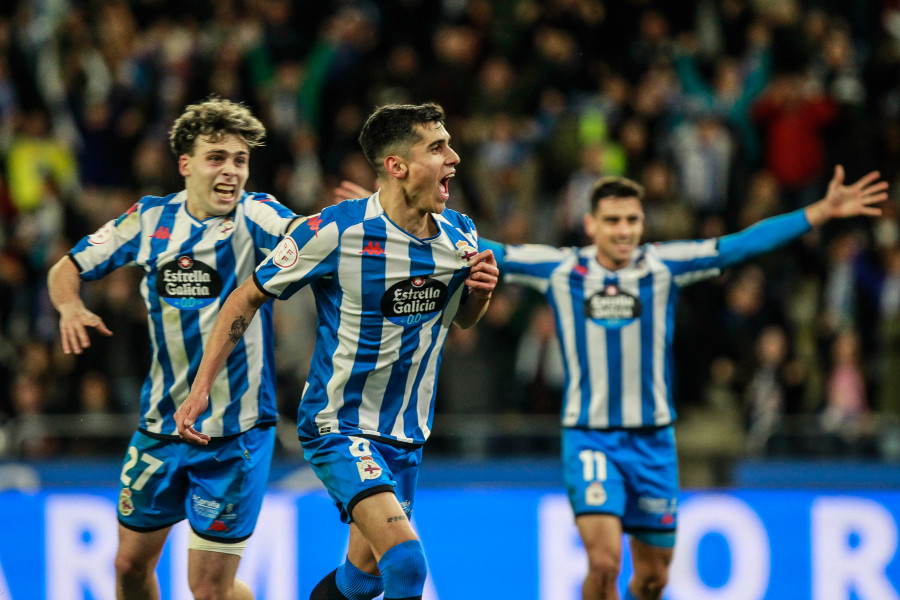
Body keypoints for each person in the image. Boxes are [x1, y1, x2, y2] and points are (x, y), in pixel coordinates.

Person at [334, 165, 887, 600]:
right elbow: (478, 249)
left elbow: (740, 245)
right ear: (592, 224)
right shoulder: (562, 268)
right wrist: (394, 214)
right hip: (590, 438)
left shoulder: (665, 266)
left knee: (651, 582)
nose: (624, 231)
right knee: (603, 564)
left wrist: (819, 211)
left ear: (642, 224)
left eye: (633, 221)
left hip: (654, 443)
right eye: (613, 221)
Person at [175, 102, 498, 600]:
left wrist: (479, 294)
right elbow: (246, 297)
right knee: (407, 564)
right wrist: (200, 391)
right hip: (340, 426)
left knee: (361, 581)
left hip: (407, 433)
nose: (454, 158)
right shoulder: (334, 232)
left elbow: (460, 321)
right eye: (437, 148)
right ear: (397, 167)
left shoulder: (460, 235)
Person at [47, 97, 299, 600]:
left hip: (236, 435)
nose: (230, 171)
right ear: (185, 165)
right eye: (216, 157)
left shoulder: (259, 215)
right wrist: (70, 307)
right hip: (160, 427)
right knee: (128, 566)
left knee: (206, 590)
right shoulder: (149, 221)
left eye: (240, 159)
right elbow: (66, 269)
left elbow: (308, 236)